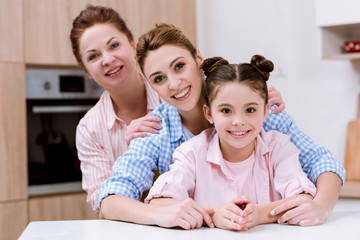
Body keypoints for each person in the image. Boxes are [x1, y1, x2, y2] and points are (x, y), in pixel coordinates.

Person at [98, 23, 345, 228]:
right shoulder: (154, 130)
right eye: (159, 78)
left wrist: (320, 206)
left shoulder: (254, 107)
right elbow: (110, 201)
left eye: (179, 66)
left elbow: (321, 162)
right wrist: (159, 213)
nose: (174, 84)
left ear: (198, 58)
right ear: (150, 85)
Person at [144, 55, 317, 231]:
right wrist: (215, 215)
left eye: (250, 110)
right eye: (226, 110)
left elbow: (304, 199)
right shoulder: (192, 153)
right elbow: (158, 203)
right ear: (209, 113)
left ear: (265, 112)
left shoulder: (278, 147)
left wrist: (258, 214)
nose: (238, 121)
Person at [69, 5, 163, 214]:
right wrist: (131, 153)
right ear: (88, 72)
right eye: (93, 56)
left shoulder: (171, 95)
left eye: (114, 45)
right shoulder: (89, 128)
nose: (108, 59)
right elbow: (102, 204)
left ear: (132, 45)